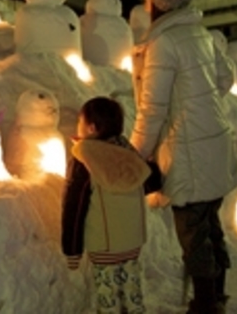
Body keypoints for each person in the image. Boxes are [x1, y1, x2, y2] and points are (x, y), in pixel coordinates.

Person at [130, 0, 237, 314]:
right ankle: (217, 295)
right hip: (214, 142)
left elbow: (153, 108)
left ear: (161, 0)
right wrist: (200, 106)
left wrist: (135, 156)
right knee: (209, 223)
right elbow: (225, 79)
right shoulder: (200, 34)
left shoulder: (164, 43)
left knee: (193, 235)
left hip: (189, 152)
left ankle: (206, 305)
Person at [62, 96, 150, 314]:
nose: (77, 126)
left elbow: (74, 205)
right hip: (133, 243)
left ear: (91, 128)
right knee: (132, 294)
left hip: (104, 246)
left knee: (108, 297)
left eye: (79, 122)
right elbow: (150, 179)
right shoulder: (130, 154)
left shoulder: (85, 159)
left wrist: (72, 251)